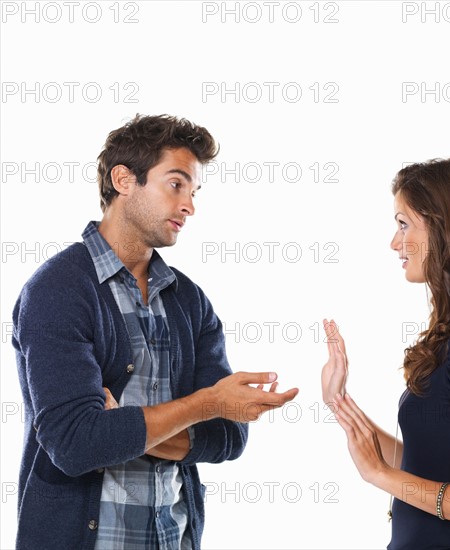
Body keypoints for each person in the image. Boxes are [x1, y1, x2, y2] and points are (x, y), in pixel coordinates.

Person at [12, 114, 299, 550]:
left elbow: (228, 437)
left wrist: (121, 428)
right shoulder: (58, 290)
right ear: (124, 179)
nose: (189, 206)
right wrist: (207, 403)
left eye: (194, 191)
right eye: (176, 184)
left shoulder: (189, 301)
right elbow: (75, 445)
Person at [321, 158, 450, 549]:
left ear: (443, 229)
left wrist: (380, 476)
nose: (394, 242)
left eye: (403, 224)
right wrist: (339, 402)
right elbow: (428, 463)